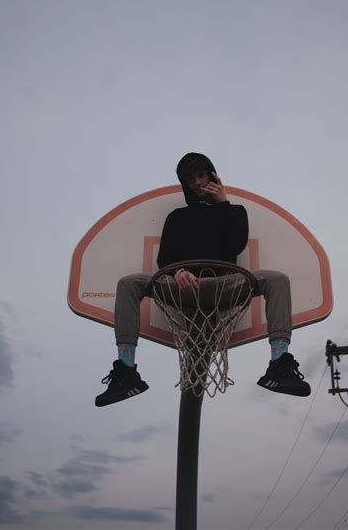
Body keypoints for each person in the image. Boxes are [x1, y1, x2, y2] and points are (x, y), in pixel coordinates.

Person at [95, 153, 311, 407]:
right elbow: (164, 259)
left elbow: (236, 244)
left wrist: (222, 205)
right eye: (191, 179)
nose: (197, 182)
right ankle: (126, 372)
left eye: (201, 175)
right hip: (181, 286)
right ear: (185, 184)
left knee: (276, 279)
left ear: (212, 175)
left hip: (225, 285)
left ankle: (279, 364)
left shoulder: (235, 212)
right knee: (129, 282)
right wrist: (177, 272)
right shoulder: (176, 218)